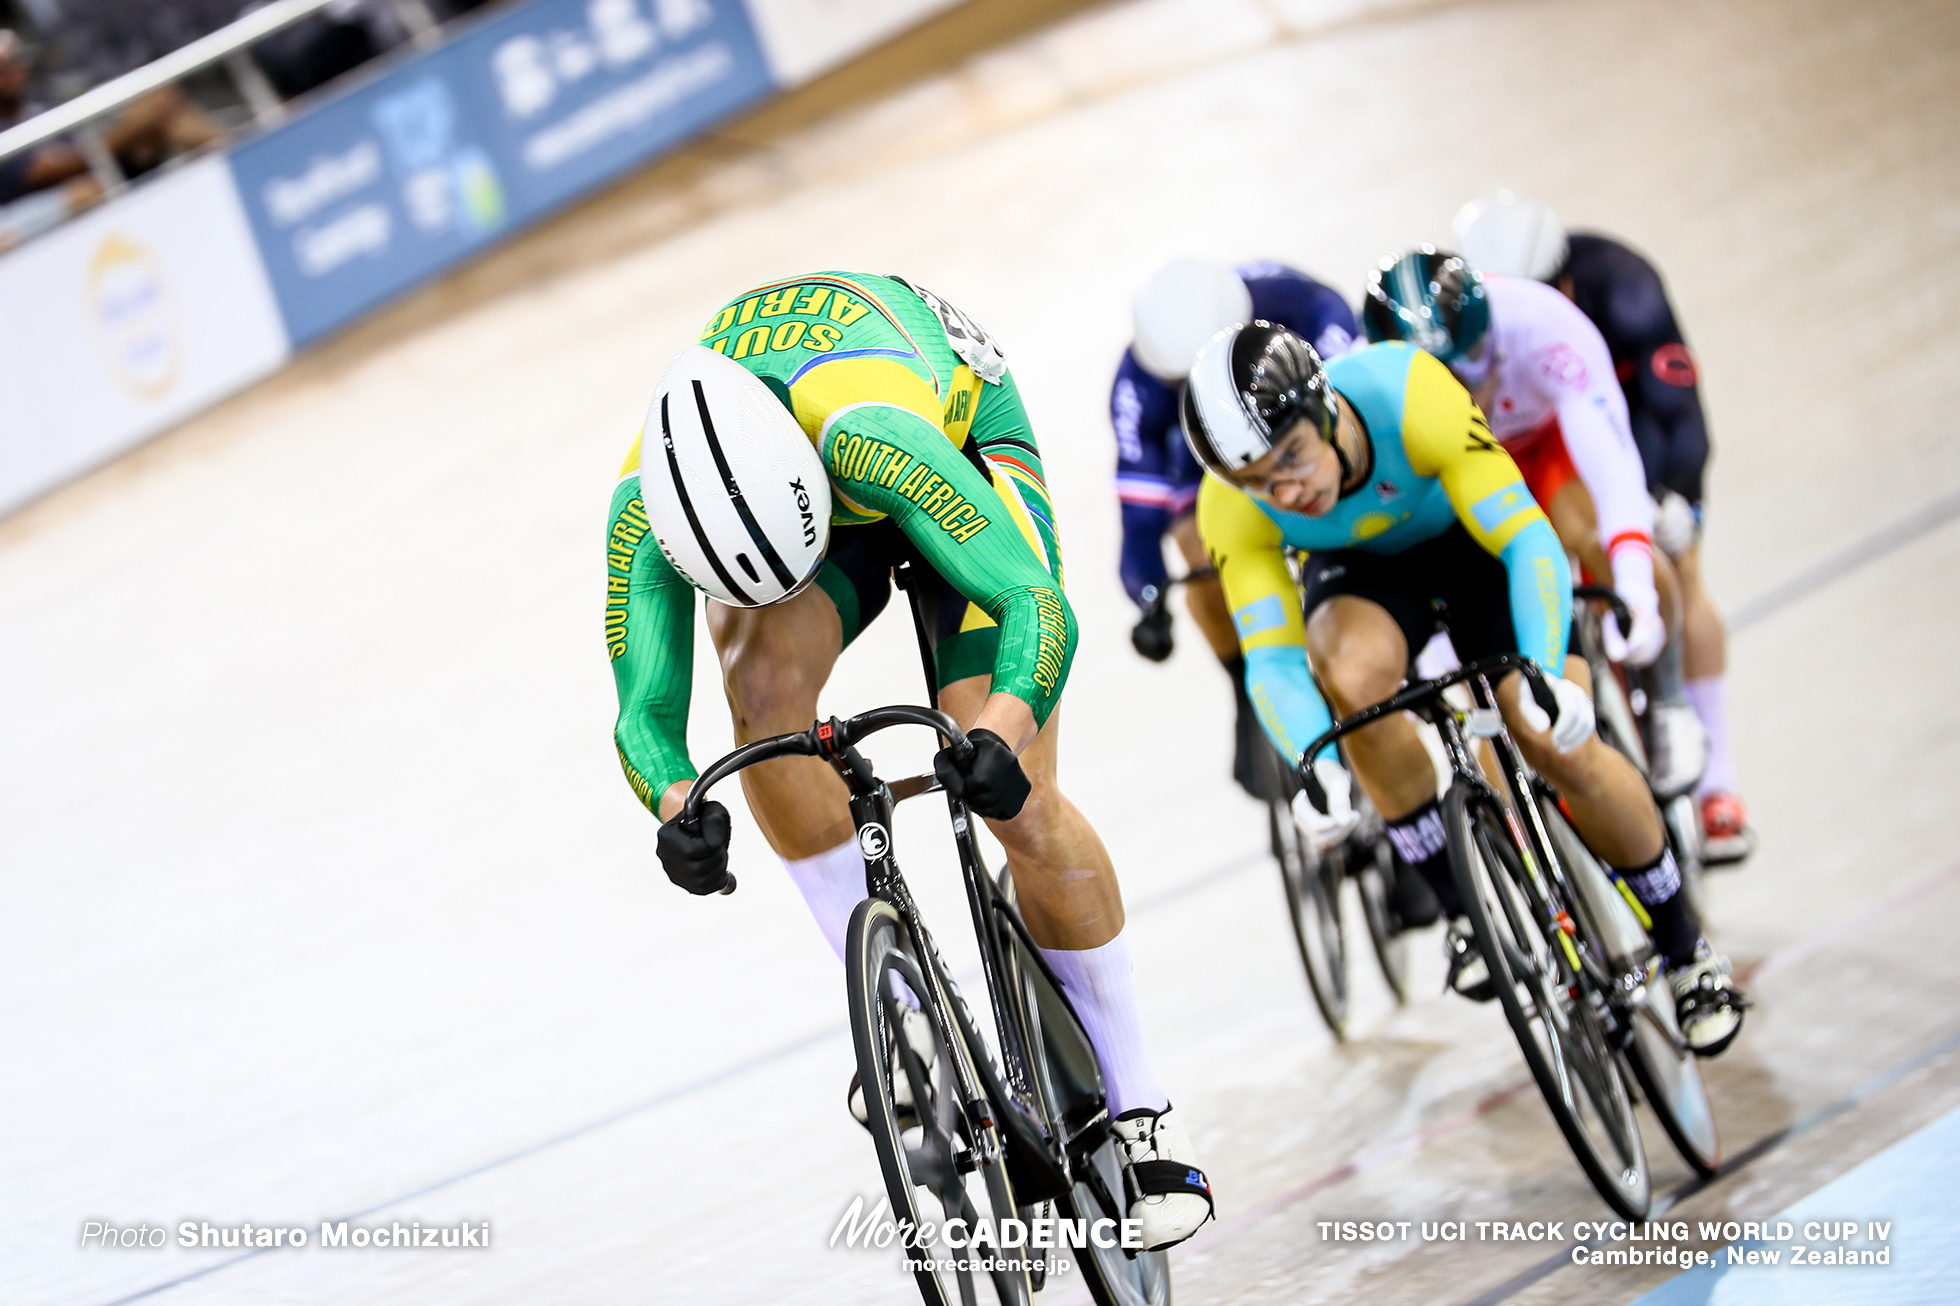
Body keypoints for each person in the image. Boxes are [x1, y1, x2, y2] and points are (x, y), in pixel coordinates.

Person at [607, 271, 1212, 1248]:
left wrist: (1002, 739)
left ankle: (1138, 1113)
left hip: (951, 440)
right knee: (758, 701)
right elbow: (644, 712)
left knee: (1016, 794)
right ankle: (893, 1004)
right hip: (793, 506)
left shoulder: (872, 434)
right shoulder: (645, 509)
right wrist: (678, 802)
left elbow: (1034, 605)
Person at [1185, 322, 1745, 1054]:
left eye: (1290, 456)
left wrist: (1548, 671)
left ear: (1324, 409)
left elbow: (1526, 539)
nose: (1285, 490)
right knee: (1349, 681)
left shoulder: (1407, 392)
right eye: (1259, 482)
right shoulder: (1230, 506)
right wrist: (1314, 766)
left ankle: (1685, 951)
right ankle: (1462, 911)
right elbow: (1275, 659)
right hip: (1364, 578)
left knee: (1551, 738)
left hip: (1473, 546)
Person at [1453, 192, 1753, 862]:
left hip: (1591, 423)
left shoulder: (1622, 290)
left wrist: (1676, 498)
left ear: (1564, 285)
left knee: (1667, 562)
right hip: (1496, 446)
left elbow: (1673, 408)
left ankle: (1710, 771)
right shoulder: (1451, 325)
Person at [1362, 246, 1709, 804]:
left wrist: (1635, 585)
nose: (1466, 384)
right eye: (1443, 374)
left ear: (1489, 332)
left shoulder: (1542, 325)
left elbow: (1613, 463)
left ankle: (1669, 702)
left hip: (1544, 445)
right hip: (1454, 470)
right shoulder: (1372, 389)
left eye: (1471, 359)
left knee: (1590, 532)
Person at [1115, 258, 1359, 797]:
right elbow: (1139, 522)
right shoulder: (1137, 385)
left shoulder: (1295, 303)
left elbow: (1355, 402)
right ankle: (1247, 689)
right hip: (1210, 459)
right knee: (1197, 542)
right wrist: (1150, 597)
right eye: (1183, 381)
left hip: (1287, 422)